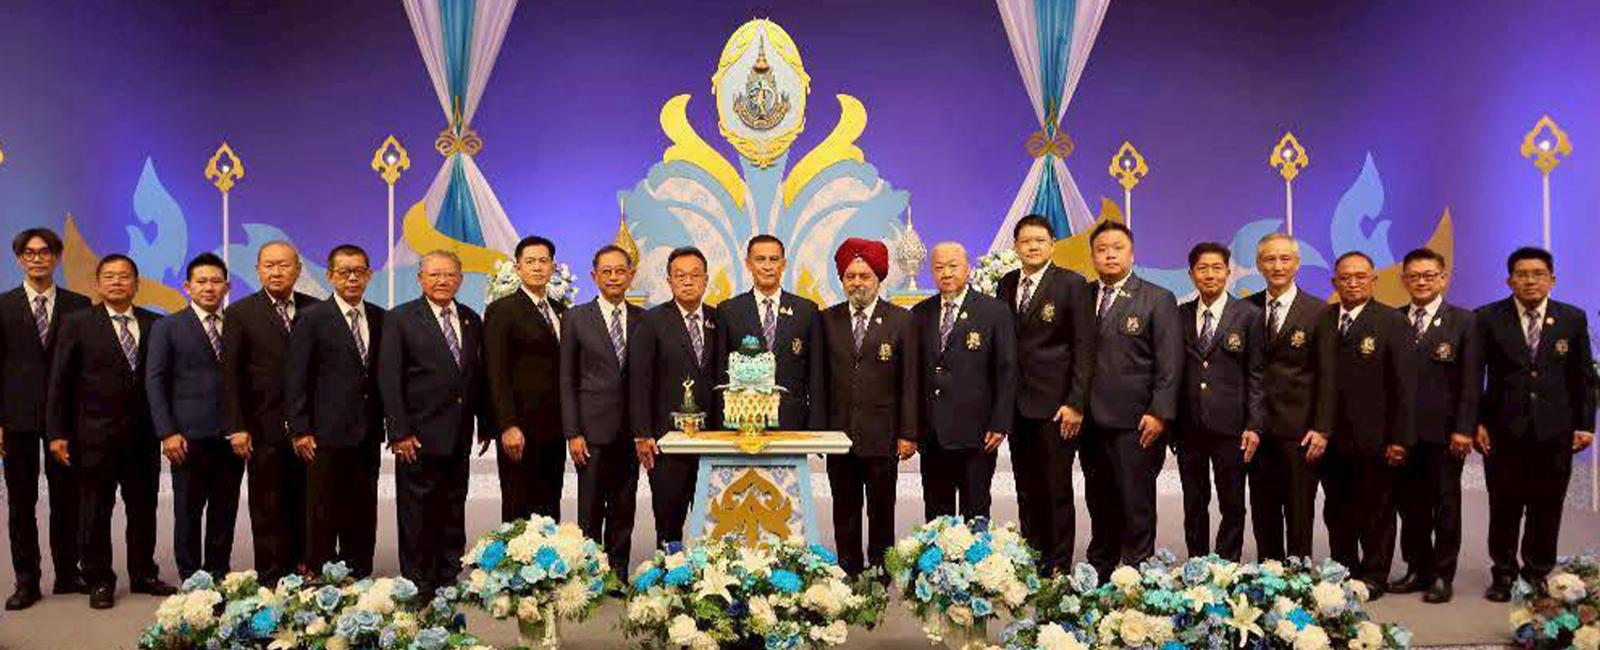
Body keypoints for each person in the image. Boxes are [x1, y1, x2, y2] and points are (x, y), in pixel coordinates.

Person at [47, 254, 175, 608]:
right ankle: (99, 579)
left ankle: (143, 574)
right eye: (109, 276)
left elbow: (164, 381)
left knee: (143, 509)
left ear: (136, 283)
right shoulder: (77, 323)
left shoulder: (155, 324)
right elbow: (59, 381)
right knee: (94, 511)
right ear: (98, 283)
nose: (117, 282)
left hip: (143, 437)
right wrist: (56, 432)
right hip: (92, 437)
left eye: (124, 276)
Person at [1475, 246, 1596, 602]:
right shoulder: (1487, 317)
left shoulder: (1572, 318)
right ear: (1509, 280)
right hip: (1502, 431)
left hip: (1555, 432)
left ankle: (1536, 573)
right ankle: (1503, 573)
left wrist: (1585, 425)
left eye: (1538, 274)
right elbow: (1473, 376)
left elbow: (1583, 377)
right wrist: (1476, 422)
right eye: (1522, 274)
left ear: (1551, 279)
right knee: (1504, 507)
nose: (1530, 280)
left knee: (1547, 507)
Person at [380, 249, 491, 596]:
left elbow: (478, 376)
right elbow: (389, 378)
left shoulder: (471, 318)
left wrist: (485, 423)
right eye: (434, 274)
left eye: (449, 274)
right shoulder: (400, 318)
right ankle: (418, 580)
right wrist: (399, 431)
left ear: (460, 279)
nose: (442, 281)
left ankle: (447, 574)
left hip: (458, 433)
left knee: (453, 505)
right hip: (417, 436)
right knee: (417, 511)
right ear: (420, 278)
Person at [811, 238, 918, 575]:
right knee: (844, 509)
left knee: (881, 509)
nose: (857, 282)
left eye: (864, 276)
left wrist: (908, 432)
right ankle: (848, 571)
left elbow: (910, 382)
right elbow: (817, 380)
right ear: (842, 280)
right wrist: (819, 432)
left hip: (883, 435)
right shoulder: (825, 320)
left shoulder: (901, 320)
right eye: (850, 276)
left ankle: (881, 572)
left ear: (879, 278)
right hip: (839, 435)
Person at [1080, 220, 1181, 578]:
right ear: (1092, 256)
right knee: (1099, 498)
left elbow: (1170, 363)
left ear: (1132, 254)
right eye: (1102, 249)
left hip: (1137, 421)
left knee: (1136, 500)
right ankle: (1101, 567)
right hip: (1090, 421)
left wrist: (1159, 412)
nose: (1109, 254)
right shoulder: (1082, 296)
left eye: (1117, 248)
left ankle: (1137, 570)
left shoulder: (1157, 298)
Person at [994, 215, 1094, 574]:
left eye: (1040, 240)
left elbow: (1084, 348)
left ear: (1052, 245)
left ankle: (1059, 564)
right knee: (1026, 487)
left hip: (1056, 407)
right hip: (1017, 406)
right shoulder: (1006, 283)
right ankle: (1033, 559)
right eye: (1025, 241)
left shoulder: (1072, 284)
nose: (1032, 247)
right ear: (1016, 247)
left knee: (1056, 488)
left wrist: (1075, 402)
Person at [1313, 251, 1416, 599]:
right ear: (1334, 282)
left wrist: (1400, 438)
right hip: (1332, 437)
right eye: (1345, 277)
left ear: (1374, 280)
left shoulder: (1392, 321)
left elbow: (1405, 386)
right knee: (1336, 509)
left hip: (1377, 439)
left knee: (1377, 510)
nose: (1353, 283)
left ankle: (1374, 575)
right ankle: (1344, 569)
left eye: (1360, 276)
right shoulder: (1324, 318)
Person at [0, 228, 90, 610]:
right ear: (20, 259)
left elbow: (85, 369)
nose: (37, 258)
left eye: (45, 252)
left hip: (66, 421)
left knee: (68, 499)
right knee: (20, 502)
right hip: (16, 418)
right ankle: (27, 581)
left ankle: (68, 573)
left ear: (57, 257)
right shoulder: (2, 306)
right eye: (30, 253)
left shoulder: (79, 305)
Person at [286, 245, 385, 578]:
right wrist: (300, 428)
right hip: (323, 434)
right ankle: (320, 572)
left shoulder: (380, 317)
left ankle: (358, 571)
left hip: (368, 432)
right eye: (344, 272)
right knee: (323, 507)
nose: (352, 278)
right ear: (330, 276)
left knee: (363, 507)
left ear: (369, 275)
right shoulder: (312, 318)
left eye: (359, 271)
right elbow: (296, 377)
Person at [222, 241, 317, 584]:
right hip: (262, 426)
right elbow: (231, 375)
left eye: (283, 265)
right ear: (258, 270)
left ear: (298, 269)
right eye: (269, 265)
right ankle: (271, 573)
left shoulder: (316, 310)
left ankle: (305, 567)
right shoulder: (240, 313)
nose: (276, 272)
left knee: (307, 501)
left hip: (309, 427)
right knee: (267, 503)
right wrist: (237, 426)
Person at [1388, 247, 1479, 604]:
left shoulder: (1464, 321)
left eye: (1429, 275)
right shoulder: (1394, 319)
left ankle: (1442, 574)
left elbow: (1471, 380)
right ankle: (1417, 568)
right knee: (1409, 506)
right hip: (1401, 435)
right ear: (1404, 280)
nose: (1421, 281)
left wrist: (1464, 428)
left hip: (1445, 435)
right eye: (1414, 276)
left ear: (1443, 278)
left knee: (1445, 505)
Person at [146, 253, 241, 581]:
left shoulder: (238, 324)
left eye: (216, 281)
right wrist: (167, 432)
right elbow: (155, 381)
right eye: (202, 282)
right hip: (186, 437)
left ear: (227, 287)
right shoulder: (167, 327)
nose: (209, 288)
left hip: (231, 436)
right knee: (188, 509)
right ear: (187, 287)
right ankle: (190, 575)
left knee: (224, 508)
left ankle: (218, 571)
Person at [1172, 242, 1264, 562]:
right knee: (1194, 502)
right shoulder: (1179, 315)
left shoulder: (1249, 315)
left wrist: (1254, 424)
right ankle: (1197, 563)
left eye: (1216, 268)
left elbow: (1257, 375)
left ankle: (1227, 565)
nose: (1209, 274)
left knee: (1232, 502)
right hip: (1188, 427)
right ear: (1191, 274)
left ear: (1228, 272)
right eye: (1202, 268)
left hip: (1232, 427)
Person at [912, 241, 1015, 520]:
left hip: (978, 433)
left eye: (952, 266)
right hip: (933, 434)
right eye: (939, 267)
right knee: (937, 515)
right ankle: (937, 552)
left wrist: (1000, 423)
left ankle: (976, 553)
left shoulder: (994, 311)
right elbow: (913, 375)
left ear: (968, 269)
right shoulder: (920, 313)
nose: (946, 273)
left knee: (976, 511)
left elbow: (1006, 370)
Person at [630, 246, 723, 549]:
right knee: (669, 523)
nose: (687, 281)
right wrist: (642, 433)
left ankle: (711, 575)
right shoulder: (651, 321)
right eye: (680, 276)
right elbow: (639, 381)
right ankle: (671, 573)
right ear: (669, 281)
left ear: (706, 279)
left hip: (713, 440)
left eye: (695, 275)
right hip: (667, 441)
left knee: (713, 524)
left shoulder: (719, 319)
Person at [559, 245, 644, 574]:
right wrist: (573, 432)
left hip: (630, 431)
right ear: (594, 276)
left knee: (624, 508)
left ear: (631, 275)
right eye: (606, 271)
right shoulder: (575, 318)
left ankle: (619, 575)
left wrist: (645, 429)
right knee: (591, 509)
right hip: (591, 431)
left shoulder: (644, 319)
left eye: (620, 271)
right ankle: (591, 575)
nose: (613, 277)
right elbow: (567, 378)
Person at [1245, 232, 1329, 560]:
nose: (1277, 266)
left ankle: (1298, 574)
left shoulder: (1319, 311)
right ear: (1258, 264)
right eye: (1270, 259)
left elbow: (1327, 376)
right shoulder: (1246, 309)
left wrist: (1322, 427)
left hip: (1300, 431)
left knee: (1299, 509)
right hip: (1257, 430)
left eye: (1285, 259)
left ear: (1297, 263)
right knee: (1263, 508)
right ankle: (1269, 573)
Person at [485, 235, 568, 522]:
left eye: (543, 261)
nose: (537, 267)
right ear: (517, 267)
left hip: (555, 428)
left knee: (550, 503)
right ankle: (516, 553)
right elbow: (495, 371)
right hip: (519, 429)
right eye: (530, 261)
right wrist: (507, 425)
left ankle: (548, 553)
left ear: (553, 267)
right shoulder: (502, 310)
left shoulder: (561, 310)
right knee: (519, 504)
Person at [717, 235, 820, 430]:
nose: (767, 266)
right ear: (748, 264)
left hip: (793, 422)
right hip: (743, 422)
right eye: (760, 259)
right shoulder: (728, 311)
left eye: (774, 259)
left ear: (783, 264)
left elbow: (816, 375)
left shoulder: (806, 310)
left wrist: (816, 427)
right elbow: (721, 373)